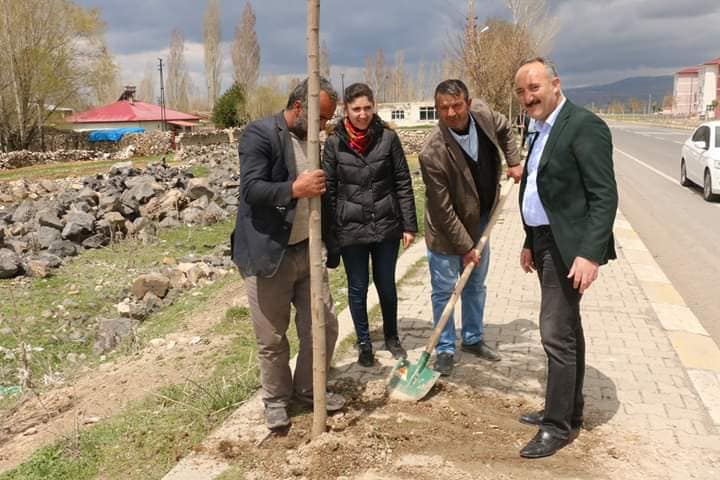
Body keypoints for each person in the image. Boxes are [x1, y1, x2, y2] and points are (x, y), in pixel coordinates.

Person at [513, 57, 618, 458]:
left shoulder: (583, 125)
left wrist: (589, 254)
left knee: (554, 332)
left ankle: (556, 427)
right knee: (568, 328)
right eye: (522, 92)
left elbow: (604, 195)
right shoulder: (540, 129)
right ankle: (568, 410)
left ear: (555, 84)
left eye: (534, 88)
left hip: (567, 248)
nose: (528, 97)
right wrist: (528, 239)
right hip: (543, 241)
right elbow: (540, 192)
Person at [231, 77, 345, 431]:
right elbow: (251, 189)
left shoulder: (312, 141)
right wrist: (295, 189)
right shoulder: (260, 134)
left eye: (328, 120)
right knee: (273, 336)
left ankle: (309, 389)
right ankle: (277, 400)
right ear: (300, 107)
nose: (325, 127)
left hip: (306, 251)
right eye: (321, 119)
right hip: (269, 254)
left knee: (323, 325)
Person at [418, 79, 522, 376]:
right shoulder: (432, 151)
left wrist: (513, 161)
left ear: (468, 101)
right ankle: (446, 348)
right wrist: (465, 247)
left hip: (482, 217)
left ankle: (473, 339)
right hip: (445, 228)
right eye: (443, 108)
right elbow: (443, 208)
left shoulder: (484, 114)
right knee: (444, 289)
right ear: (436, 109)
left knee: (475, 284)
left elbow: (504, 129)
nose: (451, 113)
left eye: (456, 105)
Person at [322, 82, 418, 367]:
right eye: (356, 109)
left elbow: (402, 181)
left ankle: (392, 337)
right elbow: (328, 188)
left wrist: (409, 225)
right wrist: (332, 234)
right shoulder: (334, 142)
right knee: (357, 287)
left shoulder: (388, 139)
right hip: (351, 228)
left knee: (386, 285)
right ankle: (364, 343)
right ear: (346, 110)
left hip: (386, 225)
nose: (362, 114)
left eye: (367, 108)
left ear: (373, 106)